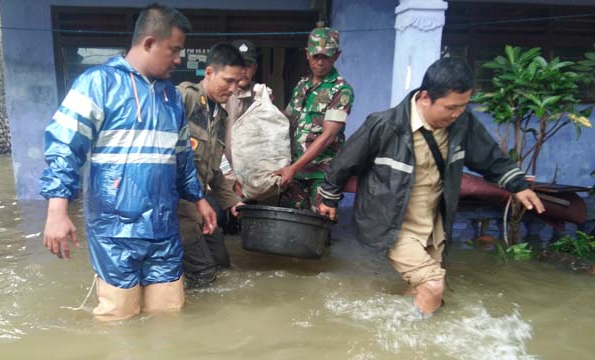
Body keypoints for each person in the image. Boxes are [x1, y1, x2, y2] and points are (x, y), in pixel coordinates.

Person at [317, 57, 545, 315]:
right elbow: (343, 163)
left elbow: (489, 157)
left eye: (463, 106)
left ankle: (399, 333)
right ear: (425, 97)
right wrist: (329, 199)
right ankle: (420, 350)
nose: (457, 113)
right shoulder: (385, 125)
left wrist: (517, 185)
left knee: (421, 290)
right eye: (450, 107)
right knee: (433, 285)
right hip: (393, 223)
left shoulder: (462, 124)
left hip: (434, 225)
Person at [40, 3, 217, 321]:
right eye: (174, 50)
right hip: (114, 231)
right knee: (117, 318)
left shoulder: (171, 97)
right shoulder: (98, 84)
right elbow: (65, 146)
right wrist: (57, 212)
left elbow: (181, 156)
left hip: (163, 229)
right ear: (149, 43)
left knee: (169, 315)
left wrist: (198, 200)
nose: (178, 59)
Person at [177, 43, 246, 287]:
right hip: (176, 205)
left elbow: (214, 170)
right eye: (228, 81)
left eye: (238, 83)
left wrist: (232, 203)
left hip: (201, 204)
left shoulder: (220, 116)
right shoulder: (185, 97)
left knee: (222, 263)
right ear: (209, 73)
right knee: (204, 274)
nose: (233, 89)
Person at [275, 27, 354, 211]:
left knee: (318, 227)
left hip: (322, 175)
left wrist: (293, 168)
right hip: (294, 172)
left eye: (326, 56)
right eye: (316, 56)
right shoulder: (302, 85)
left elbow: (327, 137)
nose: (320, 62)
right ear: (307, 54)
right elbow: (287, 120)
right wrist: (265, 109)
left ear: (337, 56)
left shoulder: (341, 90)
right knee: (288, 226)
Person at [223, 39, 260, 198]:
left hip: (253, 182)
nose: (244, 71)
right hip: (221, 180)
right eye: (240, 65)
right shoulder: (220, 95)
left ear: (255, 68)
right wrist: (231, 178)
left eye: (248, 65)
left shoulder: (262, 96)